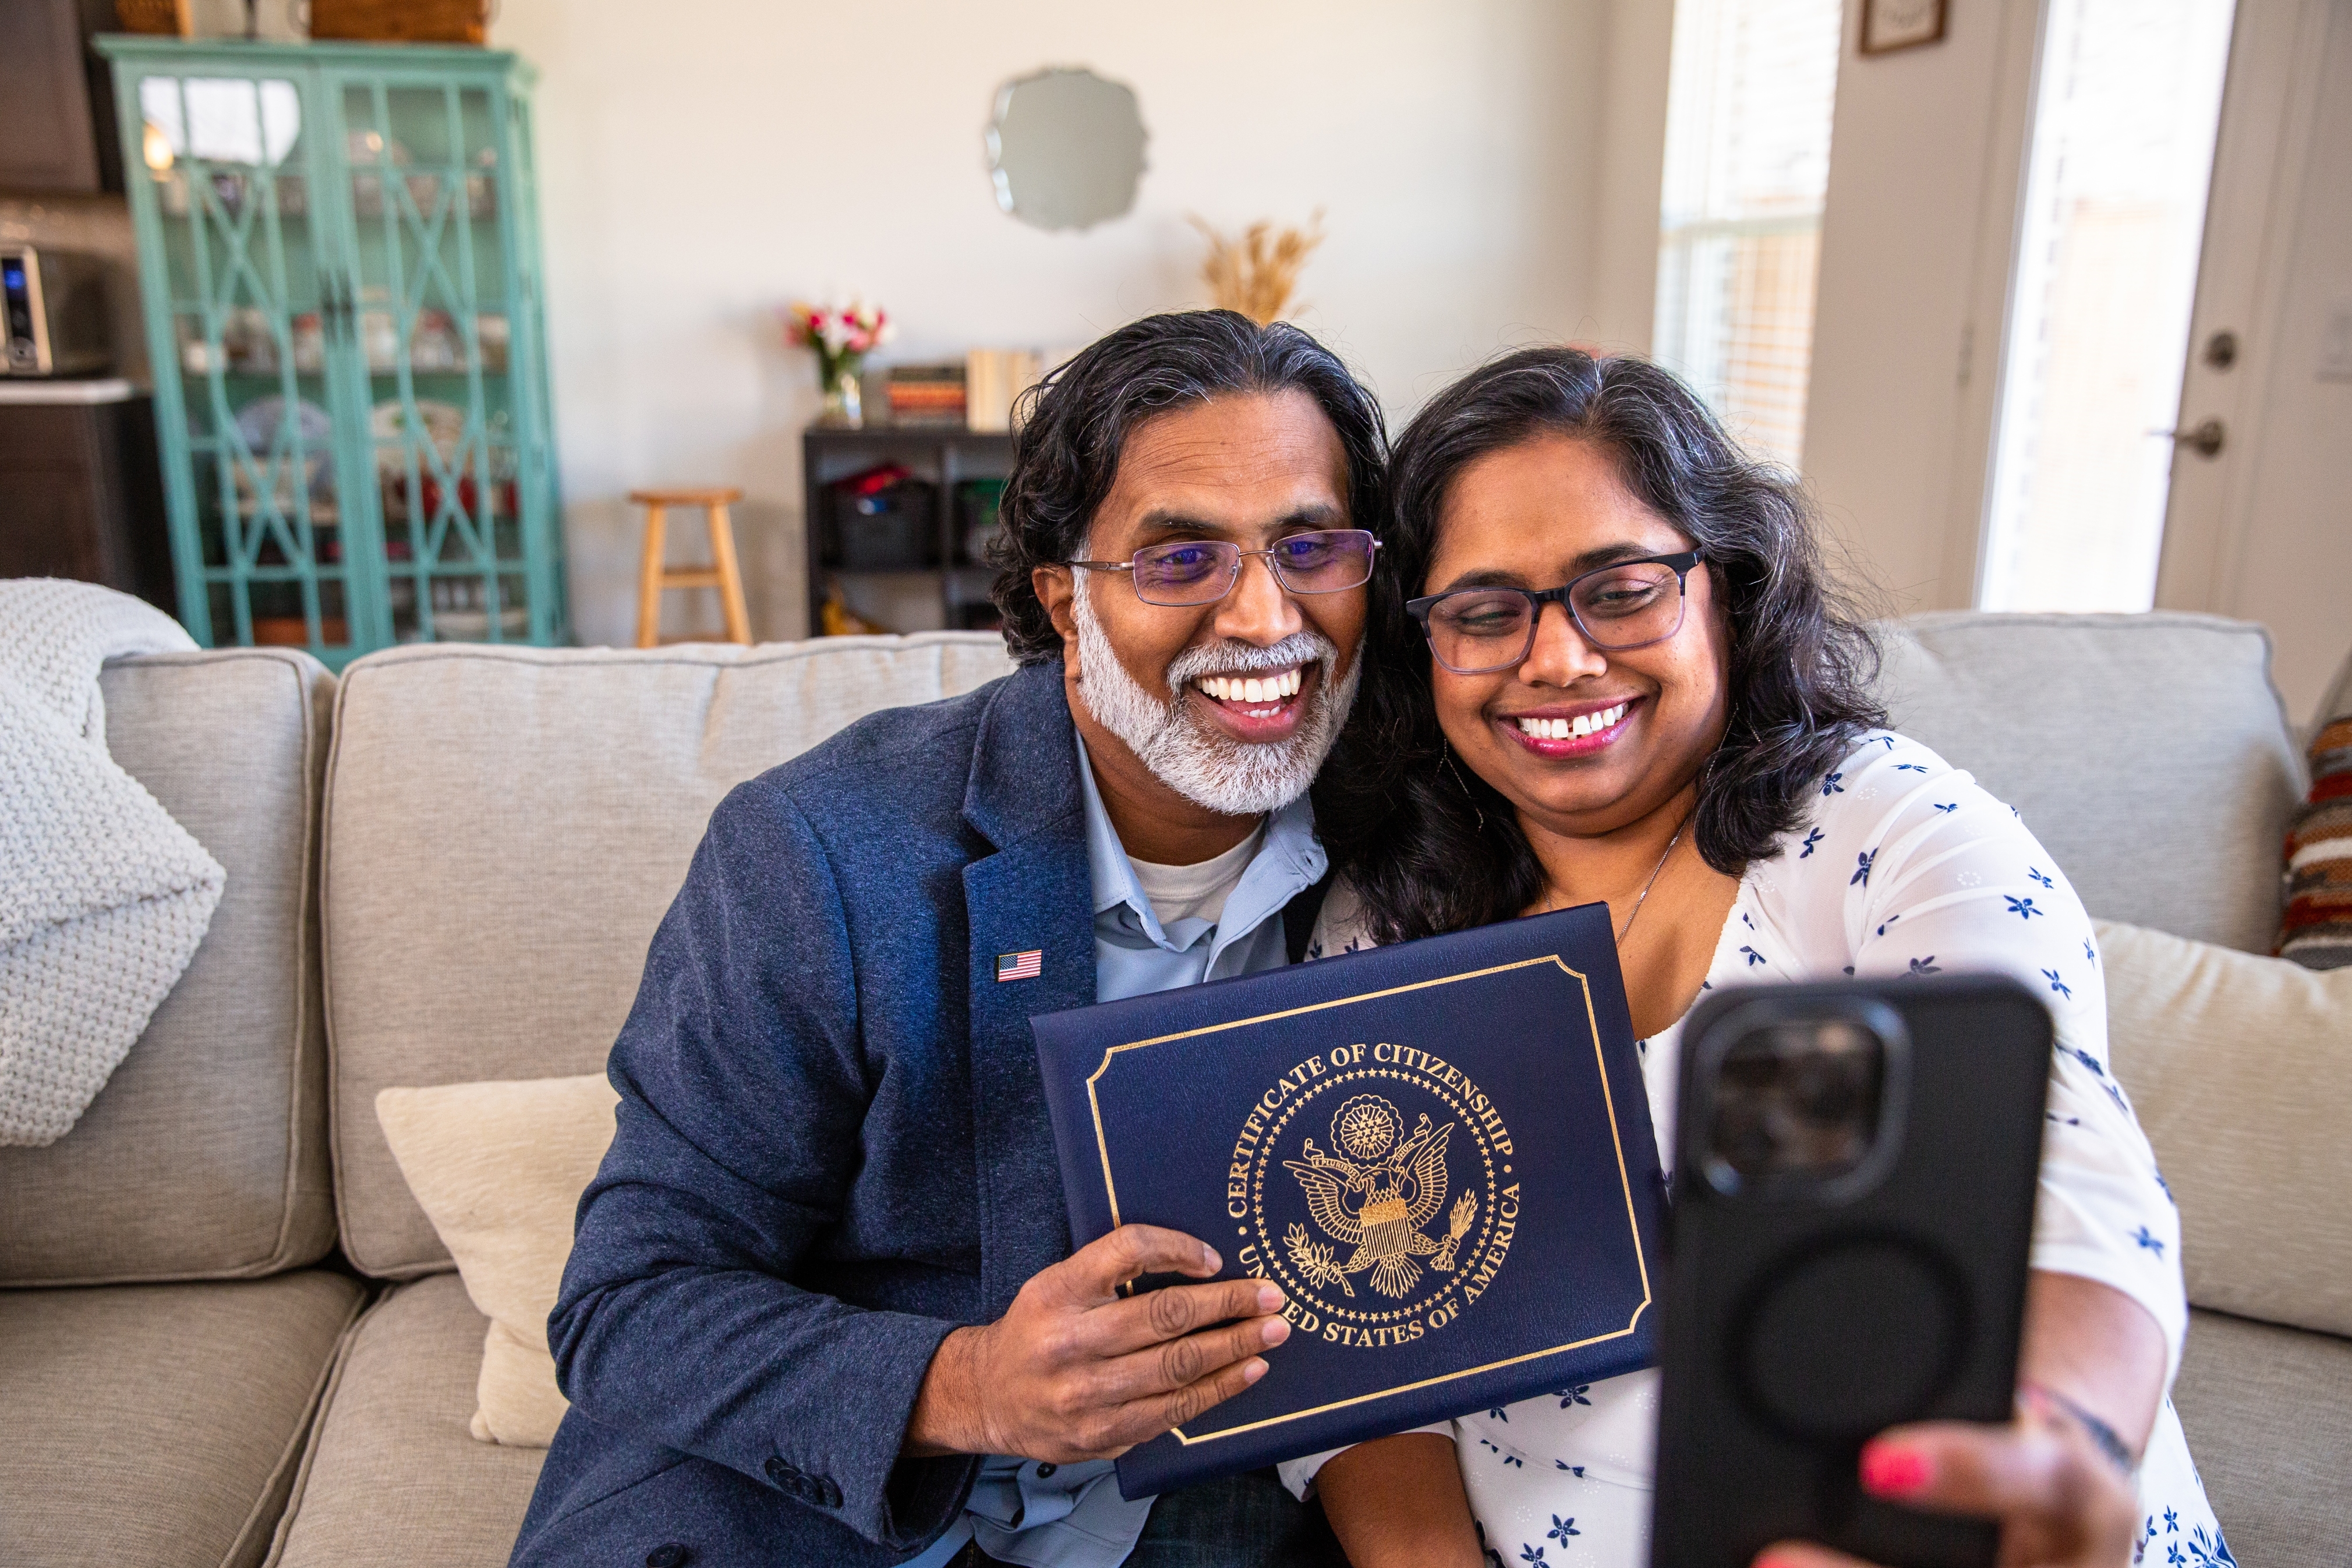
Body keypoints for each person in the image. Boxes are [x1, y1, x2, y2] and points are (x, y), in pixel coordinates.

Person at [1285, 348, 2231, 1568]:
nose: (1559, 659)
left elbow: (2066, 1178)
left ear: (1726, 589)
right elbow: (1351, 1347)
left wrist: (2063, 1443)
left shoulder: (1889, 833)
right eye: (1482, 612)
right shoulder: (1380, 918)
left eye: (1618, 590)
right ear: (1422, 651)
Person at [508, 310, 1389, 1568]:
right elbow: (628, 1306)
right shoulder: (815, 852)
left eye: (1307, 545)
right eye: (1178, 560)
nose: (1263, 617)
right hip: (819, 1518)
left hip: (1220, 1512)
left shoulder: (1413, 836)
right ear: (1062, 602)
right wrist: (969, 1384)